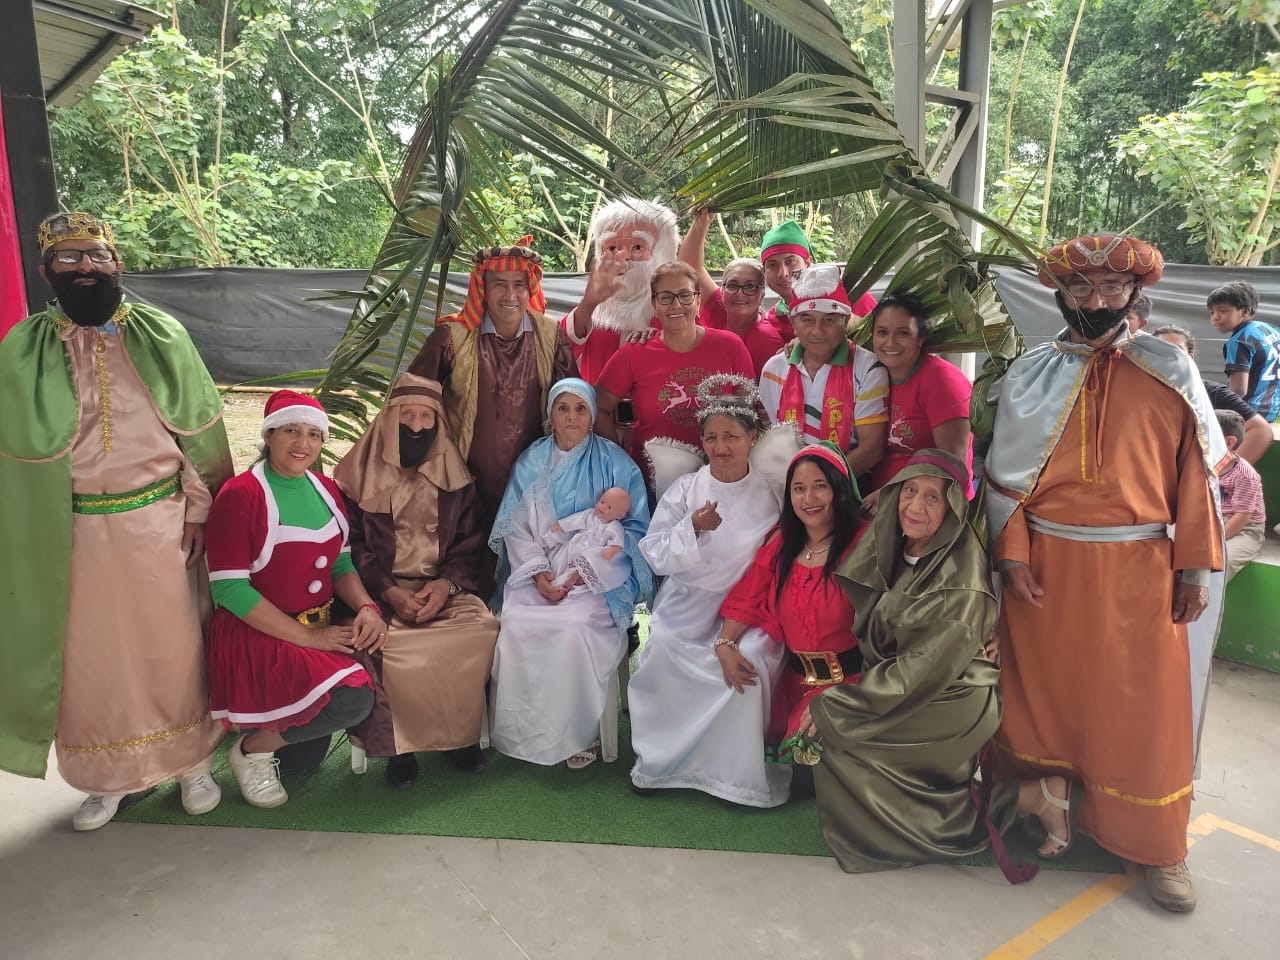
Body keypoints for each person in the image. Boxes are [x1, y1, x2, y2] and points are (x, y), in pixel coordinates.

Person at [985, 233, 1227, 912]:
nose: (1096, 302)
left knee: (1143, 711)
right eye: (1080, 288)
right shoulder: (1031, 372)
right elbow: (1005, 480)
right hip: (1045, 569)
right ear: (1060, 294)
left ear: (1134, 293)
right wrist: (1011, 553)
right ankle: (1041, 802)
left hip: (1140, 568)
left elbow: (1197, 475)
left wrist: (1194, 567)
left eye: (1112, 288)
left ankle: (1157, 845)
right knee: (1040, 696)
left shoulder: (1171, 369)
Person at [0, 211, 233, 831]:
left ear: (117, 264)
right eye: (70, 257)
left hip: (160, 525)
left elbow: (198, 435)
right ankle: (108, 777)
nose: (86, 267)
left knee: (174, 649)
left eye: (97, 255)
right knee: (92, 661)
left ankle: (193, 764)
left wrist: (200, 509)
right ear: (46, 269)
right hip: (69, 534)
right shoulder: (22, 349)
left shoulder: (161, 334)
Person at [800, 450, 1062, 877]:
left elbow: (923, 667)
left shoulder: (959, 576)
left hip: (952, 697)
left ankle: (1015, 803)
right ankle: (1025, 799)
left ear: (952, 507)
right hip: (910, 684)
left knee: (840, 735)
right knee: (845, 740)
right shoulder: (897, 544)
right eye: (909, 491)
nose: (915, 506)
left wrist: (843, 699)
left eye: (932, 497)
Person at [204, 391, 381, 808]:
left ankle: (269, 738)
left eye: (314, 435)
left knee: (303, 761)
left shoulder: (325, 489)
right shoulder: (241, 495)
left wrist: (367, 607)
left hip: (315, 626)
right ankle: (250, 751)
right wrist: (309, 639)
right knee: (351, 699)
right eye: (291, 431)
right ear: (269, 435)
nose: (303, 443)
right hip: (259, 633)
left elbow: (340, 564)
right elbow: (229, 589)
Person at [332, 374, 499, 787]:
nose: (417, 426)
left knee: (478, 629)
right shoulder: (356, 477)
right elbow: (349, 546)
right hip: (376, 594)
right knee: (384, 645)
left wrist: (446, 586)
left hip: (442, 590)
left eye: (427, 416)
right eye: (407, 414)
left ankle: (458, 739)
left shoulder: (455, 478)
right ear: (389, 418)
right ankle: (399, 748)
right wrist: (388, 592)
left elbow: (472, 542)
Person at [627, 381, 789, 806]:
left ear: (752, 438)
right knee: (663, 647)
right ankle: (662, 764)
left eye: (731, 436)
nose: (721, 447)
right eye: (712, 438)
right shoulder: (686, 489)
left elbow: (784, 553)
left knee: (753, 658)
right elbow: (654, 553)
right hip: (688, 602)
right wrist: (693, 528)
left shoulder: (772, 491)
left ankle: (735, 776)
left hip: (750, 608)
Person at [488, 378, 653, 769]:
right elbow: (516, 527)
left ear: (593, 415)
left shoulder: (615, 463)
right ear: (551, 415)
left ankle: (581, 731)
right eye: (563, 408)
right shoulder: (531, 462)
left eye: (580, 408)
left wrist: (583, 571)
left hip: (596, 581)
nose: (572, 417)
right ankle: (527, 730)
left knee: (573, 627)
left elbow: (634, 531)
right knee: (516, 624)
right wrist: (538, 573)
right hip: (539, 574)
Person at [408, 242, 577, 595]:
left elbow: (572, 399)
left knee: (529, 566)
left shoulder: (551, 335)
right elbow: (413, 401)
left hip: (534, 477)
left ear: (530, 288)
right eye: (500, 284)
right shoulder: (452, 336)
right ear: (482, 287)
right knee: (469, 565)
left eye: (519, 284)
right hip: (464, 475)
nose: (510, 295)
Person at [716, 443, 862, 751]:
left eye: (820, 486)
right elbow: (748, 595)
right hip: (794, 685)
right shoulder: (781, 543)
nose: (808, 499)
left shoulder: (864, 543)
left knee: (813, 754)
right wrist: (725, 644)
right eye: (798, 489)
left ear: (840, 490)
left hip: (853, 685)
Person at [595, 261, 756, 486]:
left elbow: (749, 411)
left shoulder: (730, 346)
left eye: (685, 295)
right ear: (654, 304)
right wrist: (618, 457)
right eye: (666, 297)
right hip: (653, 484)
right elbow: (597, 405)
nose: (676, 304)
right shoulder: (634, 352)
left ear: (698, 300)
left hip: (721, 479)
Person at [758, 265, 888, 483]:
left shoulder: (868, 369)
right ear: (793, 323)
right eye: (807, 319)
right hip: (785, 484)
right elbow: (768, 438)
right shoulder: (774, 370)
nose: (817, 331)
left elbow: (871, 450)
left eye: (829, 320)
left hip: (848, 483)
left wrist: (819, 486)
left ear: (845, 321)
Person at [866, 292, 973, 502]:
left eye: (903, 333)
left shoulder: (943, 381)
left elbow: (953, 466)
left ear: (920, 338)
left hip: (932, 503)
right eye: (882, 332)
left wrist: (890, 494)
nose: (890, 342)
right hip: (880, 500)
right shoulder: (873, 375)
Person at [563, 198, 680, 383]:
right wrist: (588, 304)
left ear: (661, 253)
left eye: (638, 247)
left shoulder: (678, 310)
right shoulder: (593, 311)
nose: (622, 256)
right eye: (611, 247)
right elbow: (559, 350)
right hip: (597, 401)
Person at [678, 209, 785, 376]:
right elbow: (689, 268)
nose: (740, 293)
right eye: (733, 285)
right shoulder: (719, 310)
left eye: (750, 287)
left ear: (761, 295)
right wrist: (701, 222)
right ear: (722, 291)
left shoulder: (767, 340)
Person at [1152, 322, 1273, 464]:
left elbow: (1261, 431)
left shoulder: (1210, 392)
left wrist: (1222, 472)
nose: (1168, 356)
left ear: (1190, 357)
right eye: (1159, 350)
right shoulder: (1136, 391)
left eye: (1177, 350)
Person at [757, 220, 876, 342]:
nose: (783, 273)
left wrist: (843, 319)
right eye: (773, 265)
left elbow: (880, 334)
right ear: (764, 271)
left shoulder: (854, 296)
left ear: (808, 263)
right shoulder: (774, 320)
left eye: (790, 262)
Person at [1210, 280, 1280, 422]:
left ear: (1245, 311)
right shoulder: (1270, 329)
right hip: (1271, 409)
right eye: (1212, 312)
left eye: (1223, 311)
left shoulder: (1239, 341)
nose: (1215, 317)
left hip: (1247, 414)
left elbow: (1238, 391)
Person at [1213, 410, 1266, 581]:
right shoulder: (1202, 465)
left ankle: (1207, 596)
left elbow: (1243, 516)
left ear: (1229, 442)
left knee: (1221, 562)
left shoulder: (1245, 475)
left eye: (1205, 434)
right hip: (1212, 522)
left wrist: (1216, 539)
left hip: (1245, 529)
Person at [545, 487, 631, 588]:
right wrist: (562, 526)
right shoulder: (590, 514)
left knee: (587, 565)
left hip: (593, 551)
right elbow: (576, 520)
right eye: (602, 502)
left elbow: (618, 541)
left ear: (620, 516)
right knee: (561, 558)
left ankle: (565, 582)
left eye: (609, 507)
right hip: (576, 544)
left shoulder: (614, 526)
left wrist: (612, 550)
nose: (602, 507)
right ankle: (554, 573)